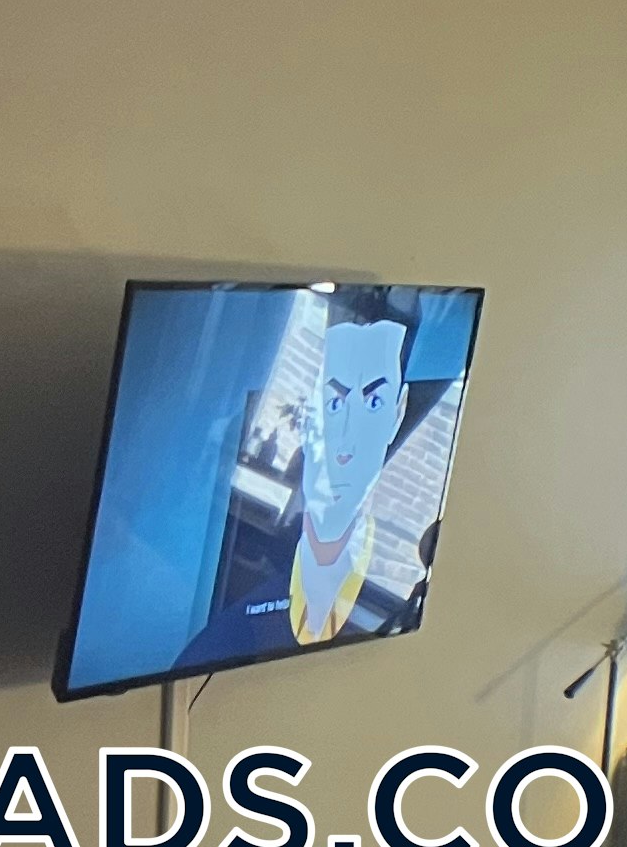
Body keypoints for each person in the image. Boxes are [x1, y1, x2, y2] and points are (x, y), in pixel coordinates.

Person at [179, 288, 437, 671]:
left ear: (398, 415)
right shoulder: (222, 637)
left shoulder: (357, 551)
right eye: (335, 404)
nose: (348, 441)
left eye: (373, 403)